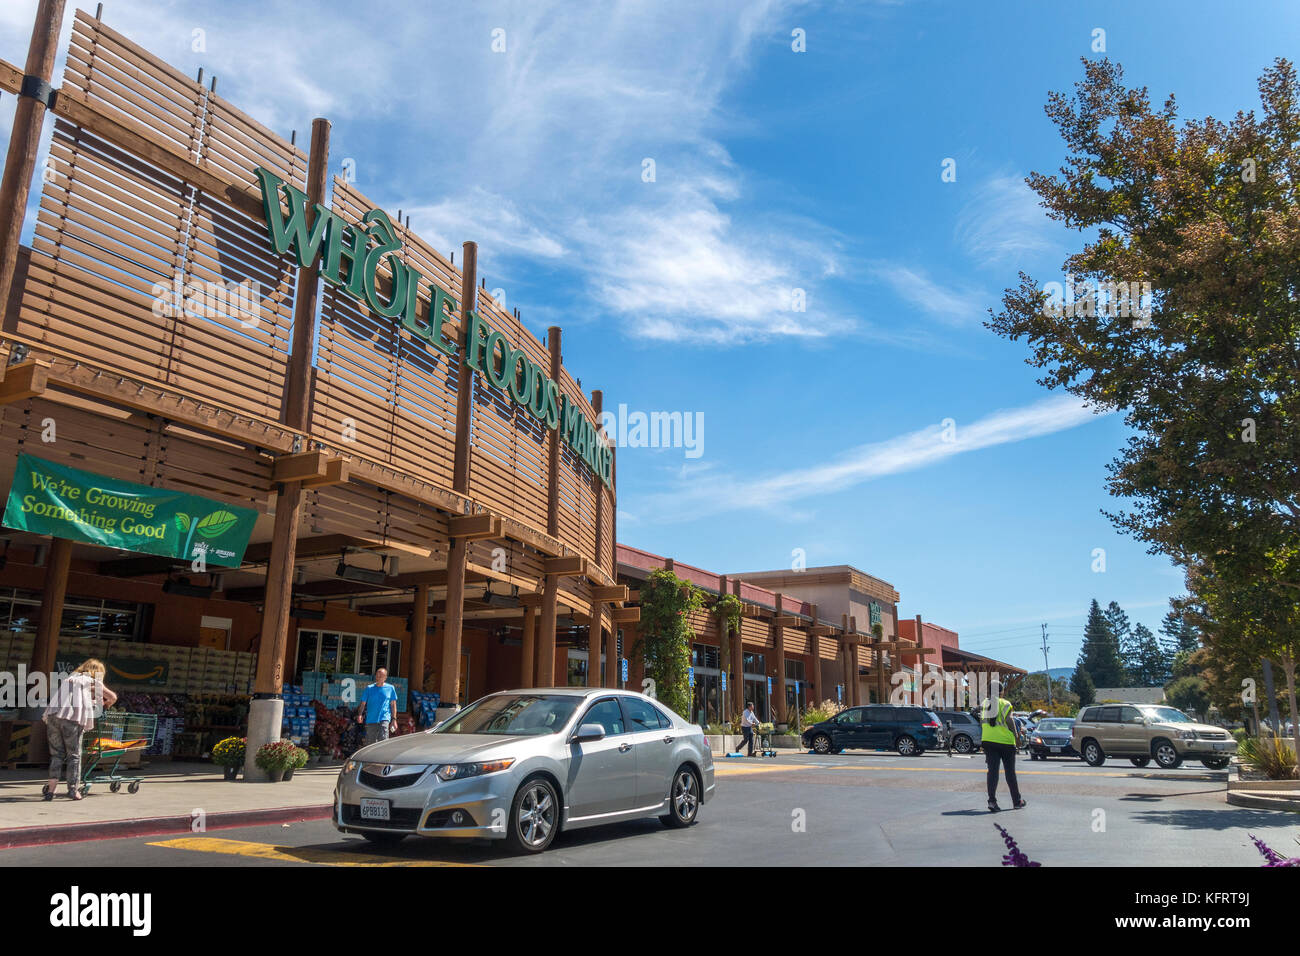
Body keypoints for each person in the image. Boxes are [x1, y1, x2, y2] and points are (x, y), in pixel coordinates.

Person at [42, 659, 116, 801]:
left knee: (56, 755)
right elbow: (112, 697)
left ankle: (51, 791)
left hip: (53, 716)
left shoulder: (69, 679)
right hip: (71, 720)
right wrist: (103, 705)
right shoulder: (92, 681)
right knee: (74, 755)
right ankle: (73, 790)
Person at [980, 681, 1026, 812]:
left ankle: (992, 801)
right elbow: (1010, 721)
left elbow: (982, 722)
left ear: (989, 691)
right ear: (1002, 691)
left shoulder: (984, 704)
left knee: (992, 772)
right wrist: (1017, 738)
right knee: (1010, 772)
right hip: (1005, 741)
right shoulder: (1005, 704)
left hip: (988, 740)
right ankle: (1017, 801)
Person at [356, 667, 399, 745]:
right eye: (377, 675)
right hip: (371, 719)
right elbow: (363, 703)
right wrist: (359, 714)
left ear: (385, 677)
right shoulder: (369, 688)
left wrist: (394, 719)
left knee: (383, 742)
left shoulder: (390, 688)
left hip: (384, 718)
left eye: (381, 676)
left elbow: (393, 705)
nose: (378, 677)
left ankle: (382, 757)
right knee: (370, 744)